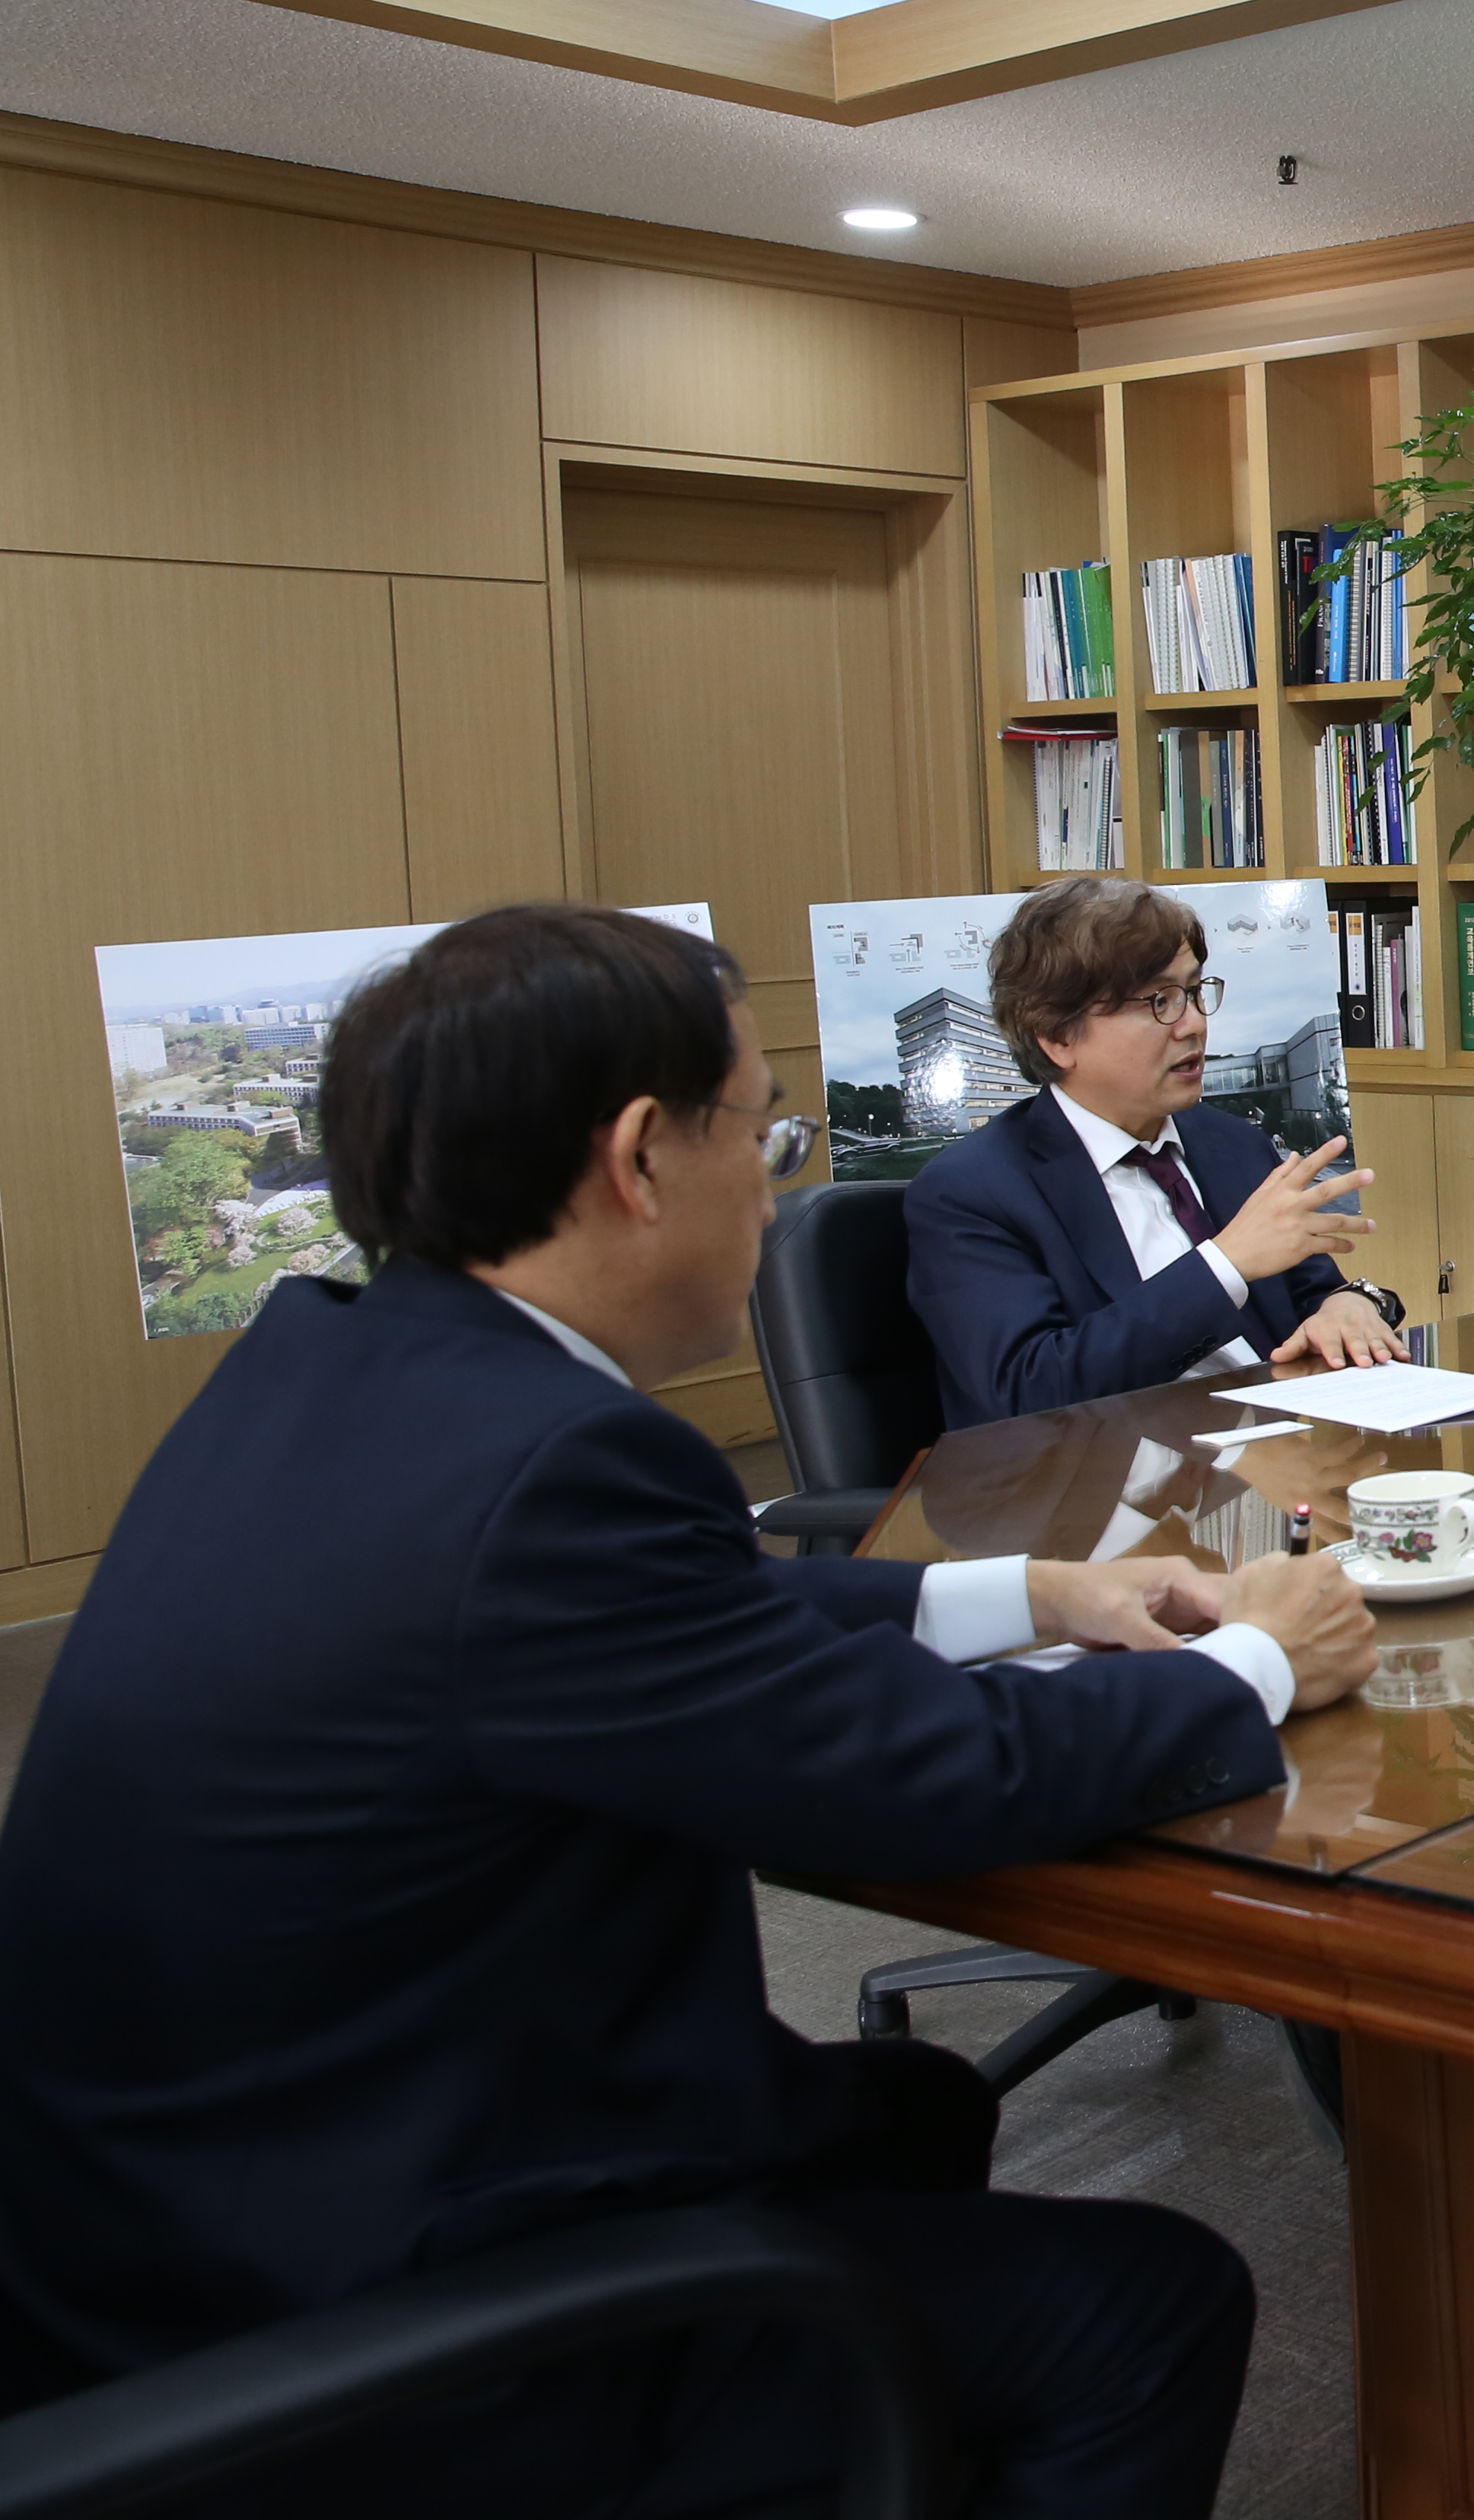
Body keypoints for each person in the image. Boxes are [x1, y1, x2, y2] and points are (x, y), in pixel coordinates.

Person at [0, 904, 1381, 2518]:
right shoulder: (560, 1470)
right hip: (349, 2309)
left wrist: (1033, 1595)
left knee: (911, 2110)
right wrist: (1261, 1661)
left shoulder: (339, 1368)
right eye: (764, 1132)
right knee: (1145, 2308)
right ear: (640, 1158)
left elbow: (646, 1623)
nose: (779, 1176)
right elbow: (928, 1783)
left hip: (175, 2204)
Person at [908, 877, 1410, 1424]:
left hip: (1288, 1457)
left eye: (1194, 992)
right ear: (1057, 1036)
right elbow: (1030, 1390)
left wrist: (1351, 1304)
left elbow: (1313, 1291)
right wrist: (1226, 1263)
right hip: (1118, 1488)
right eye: (1159, 1001)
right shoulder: (970, 1190)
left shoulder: (1232, 1144)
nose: (1194, 1023)